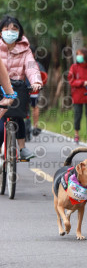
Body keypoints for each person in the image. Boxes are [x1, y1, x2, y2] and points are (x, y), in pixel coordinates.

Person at [0, 16, 42, 160]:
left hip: (18, 86)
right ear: (0, 32)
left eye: (14, 29)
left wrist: (36, 81)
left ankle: (22, 148)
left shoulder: (25, 49)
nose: (10, 32)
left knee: (18, 117)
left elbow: (31, 67)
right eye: (6, 29)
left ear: (19, 32)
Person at [67, 48, 87, 144]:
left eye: (80, 54)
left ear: (85, 55)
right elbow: (71, 81)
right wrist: (81, 82)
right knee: (77, 116)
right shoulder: (74, 67)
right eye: (77, 55)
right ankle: (76, 135)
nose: (78, 56)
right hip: (77, 96)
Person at [26, 46, 47, 136]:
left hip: (34, 91)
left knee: (34, 107)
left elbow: (44, 77)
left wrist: (39, 85)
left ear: (34, 54)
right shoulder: (20, 63)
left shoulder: (38, 65)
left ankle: (35, 126)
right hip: (22, 89)